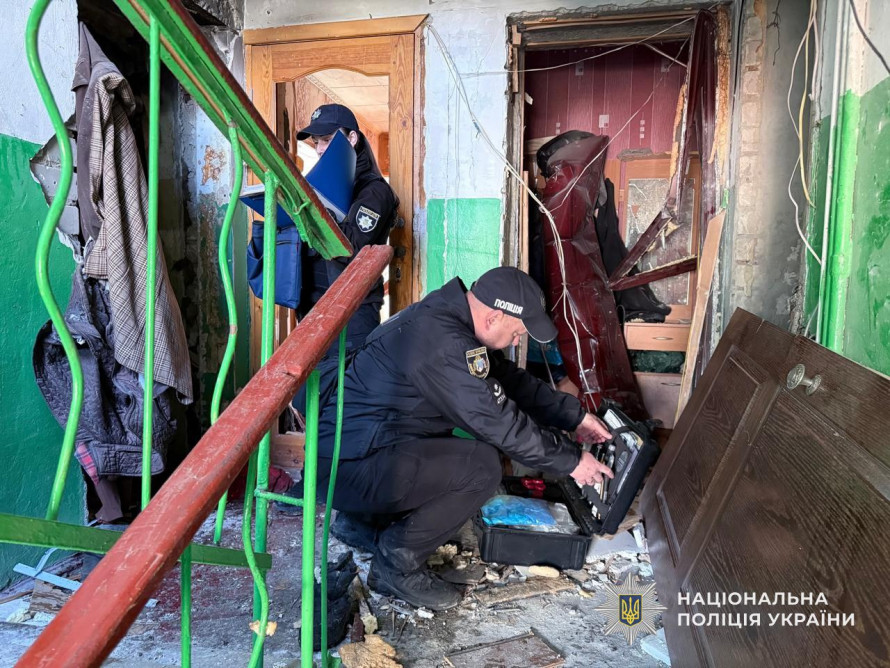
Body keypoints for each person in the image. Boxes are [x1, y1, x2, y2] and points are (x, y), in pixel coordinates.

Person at [311, 266, 614, 610]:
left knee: (453, 451)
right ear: (494, 317)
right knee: (482, 466)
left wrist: (573, 416)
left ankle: (360, 522)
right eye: (517, 333)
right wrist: (572, 461)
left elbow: (510, 382)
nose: (517, 341)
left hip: (350, 457)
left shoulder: (447, 317)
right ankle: (396, 566)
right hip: (349, 469)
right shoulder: (445, 344)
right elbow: (501, 425)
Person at [289, 103, 399, 411]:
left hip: (351, 314)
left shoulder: (373, 191)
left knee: (344, 404)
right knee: (312, 400)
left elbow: (350, 246)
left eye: (327, 140)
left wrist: (310, 213)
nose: (320, 149)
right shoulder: (326, 186)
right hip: (316, 309)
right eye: (317, 142)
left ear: (351, 139)